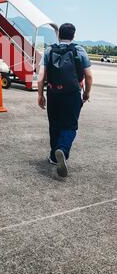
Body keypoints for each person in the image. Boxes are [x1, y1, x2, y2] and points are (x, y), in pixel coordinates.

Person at [37, 23, 93, 177]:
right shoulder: (79, 50)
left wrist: (40, 94)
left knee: (54, 124)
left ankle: (54, 157)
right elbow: (88, 76)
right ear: (73, 36)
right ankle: (62, 148)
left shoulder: (49, 50)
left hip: (54, 94)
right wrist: (86, 93)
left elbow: (41, 76)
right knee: (70, 126)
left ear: (58, 35)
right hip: (72, 95)